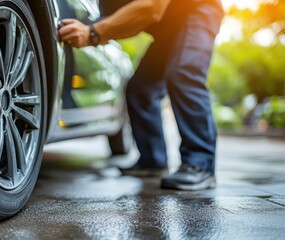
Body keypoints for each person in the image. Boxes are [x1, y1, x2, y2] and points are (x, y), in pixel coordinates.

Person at [58, 0, 223, 190]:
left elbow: (151, 7)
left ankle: (200, 164)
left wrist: (93, 33)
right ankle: (152, 160)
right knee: (140, 89)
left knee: (184, 74)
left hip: (197, 11)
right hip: (168, 28)